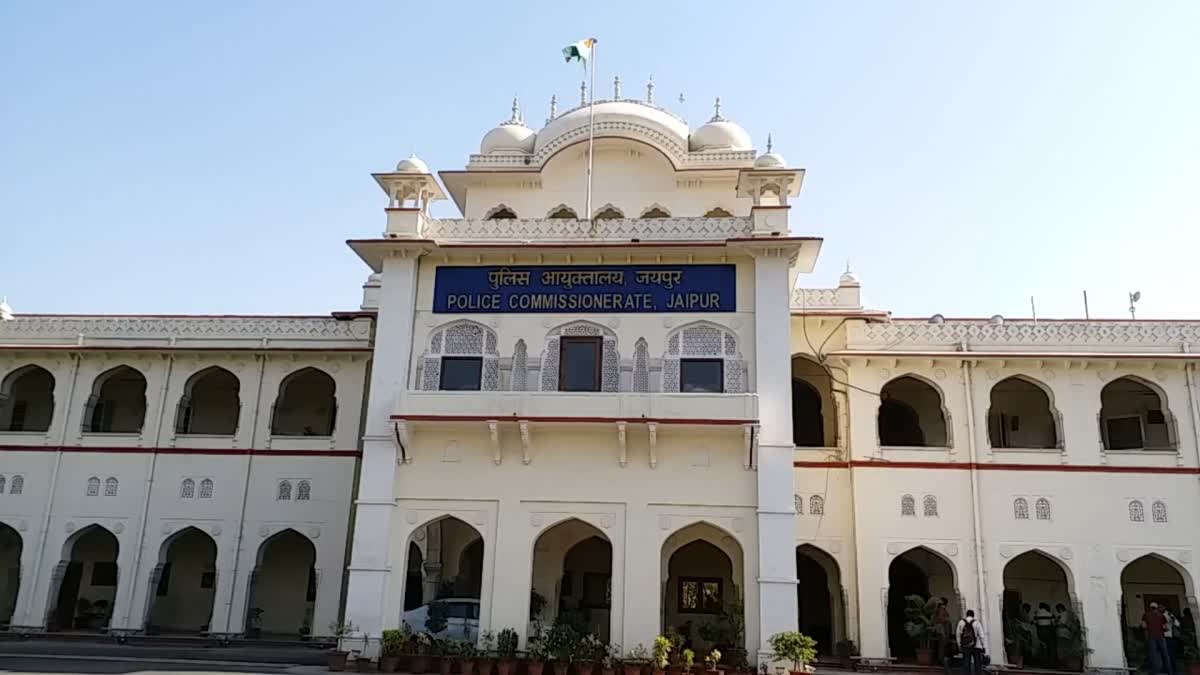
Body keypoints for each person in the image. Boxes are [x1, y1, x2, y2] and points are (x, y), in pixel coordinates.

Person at [1144, 602, 1173, 675]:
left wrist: (1149, 627)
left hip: (1151, 637)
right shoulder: (1161, 616)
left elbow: (1143, 626)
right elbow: (1166, 627)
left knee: (1154, 656)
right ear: (1156, 608)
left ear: (1150, 607)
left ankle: (1155, 672)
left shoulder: (1146, 615)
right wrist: (1162, 630)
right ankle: (1170, 671)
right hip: (1161, 636)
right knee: (1165, 654)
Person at [956, 609, 987, 675]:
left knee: (966, 663)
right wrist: (983, 646)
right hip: (976, 646)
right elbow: (981, 635)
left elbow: (958, 635)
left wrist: (959, 645)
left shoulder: (961, 622)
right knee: (978, 664)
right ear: (973, 615)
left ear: (966, 615)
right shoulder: (976, 622)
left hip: (965, 646)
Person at [1034, 602, 1057, 668]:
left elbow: (1035, 623)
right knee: (1051, 647)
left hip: (1040, 632)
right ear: (1046, 607)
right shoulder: (1050, 614)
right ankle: (1051, 663)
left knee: (1043, 647)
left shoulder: (1037, 614)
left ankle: (1043, 663)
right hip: (1048, 631)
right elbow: (1053, 623)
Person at [935, 597, 952, 665]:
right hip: (943, 630)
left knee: (942, 646)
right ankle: (940, 660)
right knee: (942, 646)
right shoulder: (941, 609)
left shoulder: (941, 609)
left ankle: (941, 659)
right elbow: (941, 619)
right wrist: (947, 620)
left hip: (943, 630)